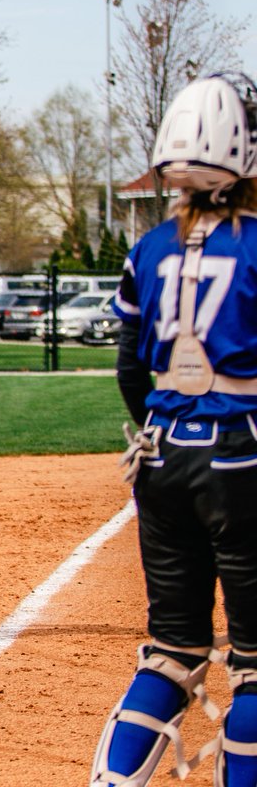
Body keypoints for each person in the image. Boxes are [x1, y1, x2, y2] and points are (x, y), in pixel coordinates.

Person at [89, 72, 257, 787]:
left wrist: (161, 421)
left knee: (173, 651)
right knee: (252, 661)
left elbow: (130, 365)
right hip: (242, 458)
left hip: (159, 458)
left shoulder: (150, 247)